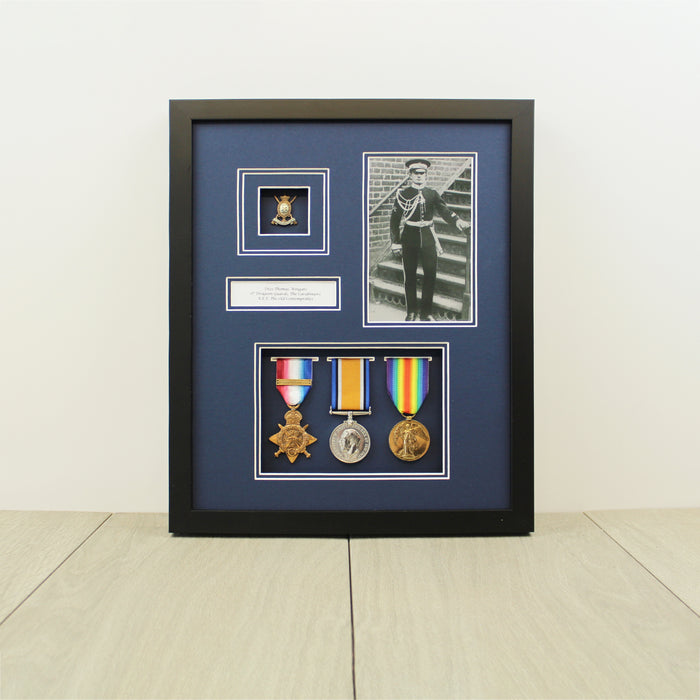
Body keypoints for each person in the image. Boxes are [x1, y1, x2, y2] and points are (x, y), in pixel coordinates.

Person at [390, 158, 469, 321]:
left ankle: (426, 313)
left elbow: (444, 210)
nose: (419, 176)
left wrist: (457, 221)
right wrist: (395, 242)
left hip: (428, 238)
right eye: (416, 173)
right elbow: (394, 221)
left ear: (426, 175)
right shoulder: (402, 195)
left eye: (422, 173)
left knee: (430, 275)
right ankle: (411, 312)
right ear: (410, 175)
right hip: (409, 238)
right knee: (409, 275)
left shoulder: (432, 194)